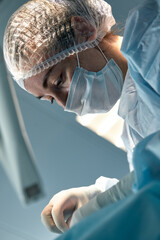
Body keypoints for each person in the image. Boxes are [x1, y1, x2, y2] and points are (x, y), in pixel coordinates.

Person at [3, 0, 160, 237]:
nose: (65, 104)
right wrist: (96, 195)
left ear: (83, 30)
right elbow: (147, 175)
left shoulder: (152, 46)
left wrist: (109, 200)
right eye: (50, 99)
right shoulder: (135, 120)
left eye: (58, 82)